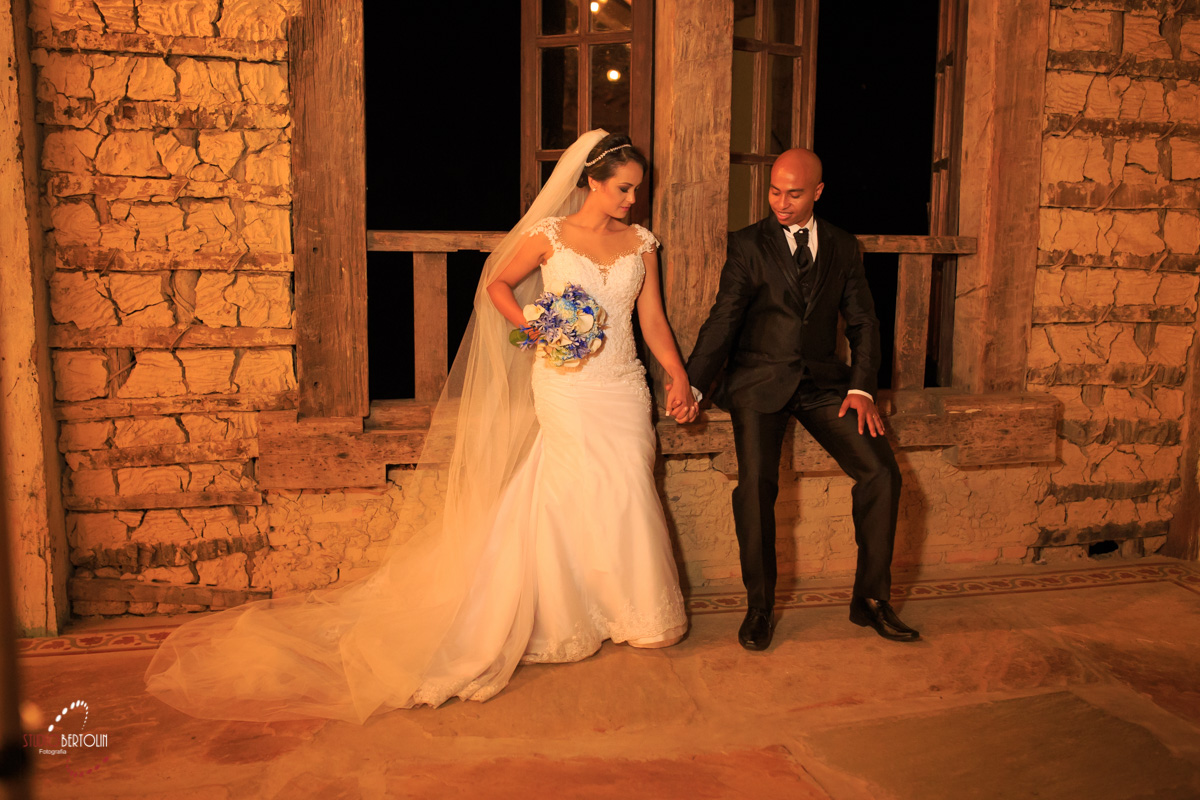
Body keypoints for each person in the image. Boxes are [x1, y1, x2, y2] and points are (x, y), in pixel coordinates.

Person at [145, 130, 697, 723]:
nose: (631, 200)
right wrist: (535, 326)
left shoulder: (641, 244)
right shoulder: (550, 235)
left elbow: (652, 319)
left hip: (622, 383)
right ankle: (565, 613)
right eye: (623, 189)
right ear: (592, 181)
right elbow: (496, 284)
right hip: (565, 384)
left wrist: (677, 376)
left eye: (637, 190)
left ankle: (633, 606)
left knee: (629, 481)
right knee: (569, 487)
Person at [685, 148, 919, 651]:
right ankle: (759, 607)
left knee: (881, 472)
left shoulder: (842, 245)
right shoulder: (747, 244)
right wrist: (694, 385)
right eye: (774, 191)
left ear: (818, 192)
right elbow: (724, 318)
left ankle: (871, 600)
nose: (781, 202)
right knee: (756, 487)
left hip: (823, 385)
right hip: (758, 380)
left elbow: (863, 322)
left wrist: (861, 388)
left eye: (793, 194)